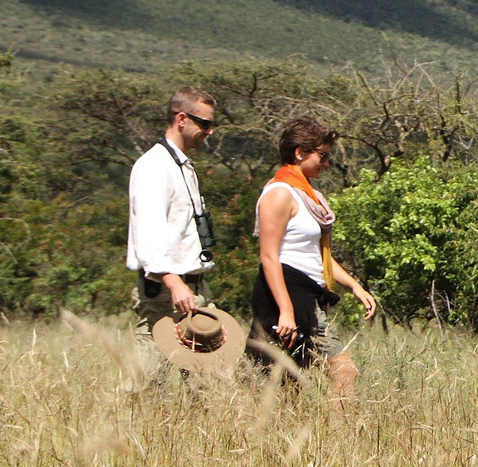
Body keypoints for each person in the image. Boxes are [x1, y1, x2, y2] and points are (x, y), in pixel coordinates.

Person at [249, 117, 376, 400]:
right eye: (323, 155)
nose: (326, 163)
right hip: (288, 293)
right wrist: (285, 310)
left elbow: (318, 254)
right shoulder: (279, 193)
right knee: (344, 371)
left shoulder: (309, 194)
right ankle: (342, 437)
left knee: (290, 378)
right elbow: (269, 257)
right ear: (299, 152)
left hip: (309, 292)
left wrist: (354, 286)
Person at [126, 86, 219, 382]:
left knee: (206, 378)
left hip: (193, 287)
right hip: (167, 291)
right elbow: (148, 233)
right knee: (151, 380)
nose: (210, 131)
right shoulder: (154, 166)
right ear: (181, 119)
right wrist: (173, 282)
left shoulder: (182, 165)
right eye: (204, 123)